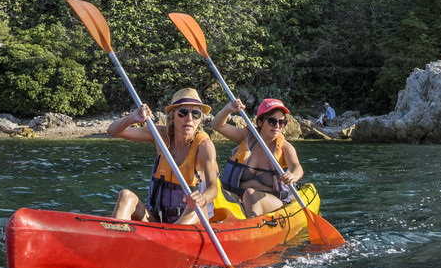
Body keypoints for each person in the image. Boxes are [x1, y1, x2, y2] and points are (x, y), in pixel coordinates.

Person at [108, 88, 221, 225]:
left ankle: (169, 238)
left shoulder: (205, 146)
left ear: (200, 118)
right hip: (158, 218)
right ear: (172, 116)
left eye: (195, 114)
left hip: (193, 217)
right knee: (125, 196)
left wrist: (202, 199)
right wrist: (131, 119)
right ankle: (116, 238)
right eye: (183, 113)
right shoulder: (160, 136)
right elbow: (113, 131)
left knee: (196, 208)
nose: (189, 118)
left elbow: (213, 188)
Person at [211, 97, 304, 217]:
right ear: (260, 122)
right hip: (239, 197)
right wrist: (228, 109)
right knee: (215, 192)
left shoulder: (286, 147)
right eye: (272, 121)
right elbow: (217, 126)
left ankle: (251, 229)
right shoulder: (247, 137)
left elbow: (297, 167)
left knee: (250, 194)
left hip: (272, 201)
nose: (277, 126)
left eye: (282, 122)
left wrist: (293, 175)